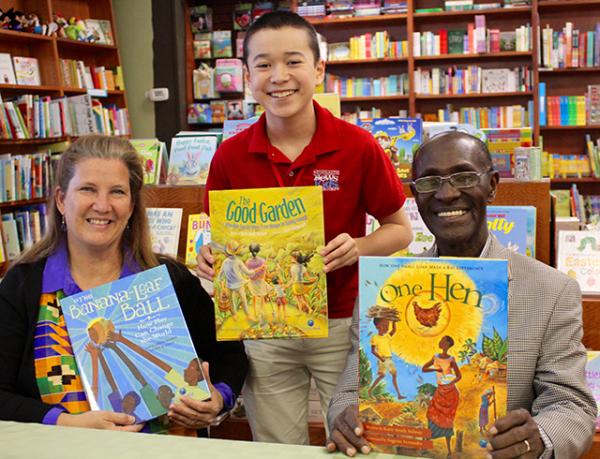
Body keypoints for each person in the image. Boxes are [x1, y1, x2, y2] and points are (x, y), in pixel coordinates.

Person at [196, 11, 412, 445]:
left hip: (342, 321)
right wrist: (208, 256)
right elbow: (216, 236)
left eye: (293, 61)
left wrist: (360, 246)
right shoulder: (230, 156)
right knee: (276, 445)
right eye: (263, 64)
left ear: (318, 69)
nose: (279, 76)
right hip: (266, 326)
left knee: (357, 439)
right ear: (247, 75)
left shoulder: (358, 146)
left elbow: (400, 229)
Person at [326, 131, 597, 458]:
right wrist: (344, 420)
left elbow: (571, 403)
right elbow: (348, 393)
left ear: (493, 185)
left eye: (464, 176)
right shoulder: (382, 289)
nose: (447, 193)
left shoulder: (551, 291)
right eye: (429, 182)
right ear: (416, 196)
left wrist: (540, 437)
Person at [0, 135, 248, 436]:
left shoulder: (169, 279)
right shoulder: (25, 285)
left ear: (132, 205)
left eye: (117, 192)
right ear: (62, 200)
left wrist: (218, 400)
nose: (102, 205)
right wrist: (68, 424)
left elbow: (230, 355)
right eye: (87, 189)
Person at [421, 335, 462, 457]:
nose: (440, 342)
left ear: (447, 344)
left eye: (443, 341)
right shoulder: (435, 357)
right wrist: (435, 370)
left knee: (448, 421)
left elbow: (459, 376)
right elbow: (424, 368)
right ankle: (426, 446)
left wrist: (450, 382)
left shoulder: (451, 360)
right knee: (431, 414)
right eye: (441, 340)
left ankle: (449, 451)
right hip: (440, 391)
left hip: (450, 393)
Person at [367, 317, 402, 400]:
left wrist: (394, 321)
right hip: (382, 359)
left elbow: (394, 330)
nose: (387, 328)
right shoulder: (375, 337)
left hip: (389, 359)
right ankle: (370, 390)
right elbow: (373, 351)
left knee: (394, 375)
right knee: (382, 375)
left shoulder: (387, 336)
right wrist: (381, 358)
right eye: (385, 325)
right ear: (378, 327)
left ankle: (399, 395)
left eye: (387, 326)